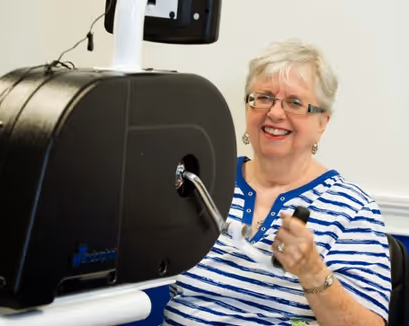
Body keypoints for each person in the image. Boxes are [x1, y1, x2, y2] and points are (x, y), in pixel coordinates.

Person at [163, 39, 391, 325]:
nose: (274, 113)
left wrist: (312, 270)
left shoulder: (354, 210)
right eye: (263, 97)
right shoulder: (200, 183)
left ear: (323, 122)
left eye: (295, 102)